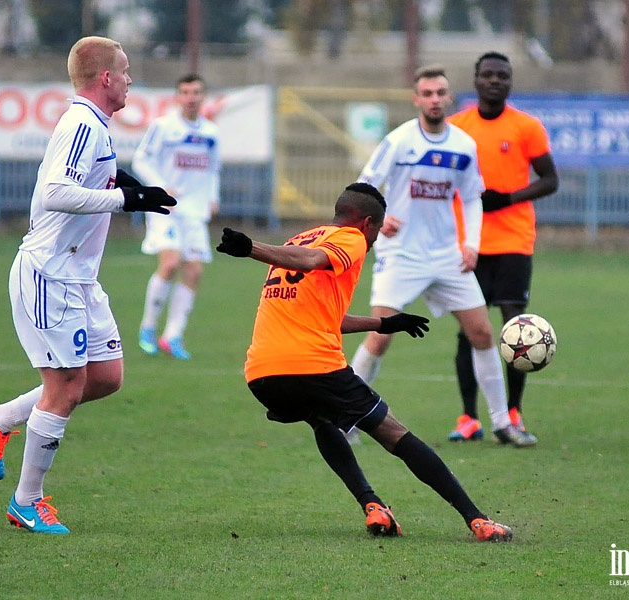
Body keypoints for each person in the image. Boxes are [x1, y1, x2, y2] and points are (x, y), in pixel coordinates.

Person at [215, 182, 513, 542]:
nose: (374, 243)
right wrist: (250, 248)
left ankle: (373, 506)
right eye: (377, 232)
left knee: (321, 418)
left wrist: (385, 323)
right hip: (313, 365)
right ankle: (477, 520)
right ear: (367, 223)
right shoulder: (350, 238)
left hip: (262, 373)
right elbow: (311, 263)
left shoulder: (300, 238)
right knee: (394, 433)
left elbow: (327, 316)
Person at [0, 36, 176, 534]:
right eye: (125, 72)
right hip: (50, 274)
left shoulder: (97, 127)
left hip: (80, 278)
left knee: (105, 378)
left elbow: (94, 178)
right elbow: (57, 191)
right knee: (65, 387)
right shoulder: (82, 122)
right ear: (106, 78)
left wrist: (130, 186)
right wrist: (127, 201)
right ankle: (26, 501)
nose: (130, 80)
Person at [348, 65, 536, 447]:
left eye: (440, 93)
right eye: (427, 93)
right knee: (380, 336)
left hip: (447, 256)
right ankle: (343, 418)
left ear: (449, 98)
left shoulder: (463, 145)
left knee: (482, 333)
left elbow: (471, 198)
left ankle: (503, 423)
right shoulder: (399, 141)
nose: (434, 99)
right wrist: (377, 219)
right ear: (417, 99)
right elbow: (363, 185)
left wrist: (472, 244)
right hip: (400, 255)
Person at [447, 51, 559, 442]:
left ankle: (513, 413)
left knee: (517, 330)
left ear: (510, 82)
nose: (495, 81)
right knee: (469, 332)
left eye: (503, 76)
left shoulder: (526, 127)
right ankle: (468, 417)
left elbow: (550, 179)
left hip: (513, 240)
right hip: (470, 244)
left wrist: (508, 198)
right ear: (476, 80)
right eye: (488, 74)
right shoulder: (456, 128)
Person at [133, 73, 221, 360]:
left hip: (194, 211)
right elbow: (140, 160)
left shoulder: (210, 132)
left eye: (196, 92)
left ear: (202, 96)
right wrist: (160, 188)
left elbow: (213, 169)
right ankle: (147, 328)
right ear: (177, 96)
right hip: (166, 208)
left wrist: (213, 197)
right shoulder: (163, 127)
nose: (191, 97)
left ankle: (173, 336)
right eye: (185, 92)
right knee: (170, 263)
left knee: (194, 271)